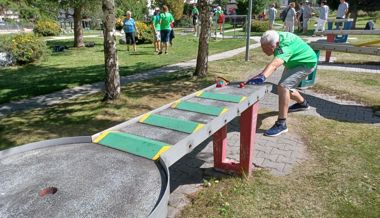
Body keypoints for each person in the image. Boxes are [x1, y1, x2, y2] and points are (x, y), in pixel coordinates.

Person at [246, 30, 317, 136]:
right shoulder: (274, 37)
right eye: (262, 47)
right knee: (287, 86)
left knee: (283, 86)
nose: (264, 51)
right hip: (294, 62)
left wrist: (262, 77)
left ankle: (281, 124)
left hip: (306, 63)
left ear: (277, 45)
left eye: (267, 48)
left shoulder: (284, 47)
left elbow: (274, 65)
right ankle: (303, 104)